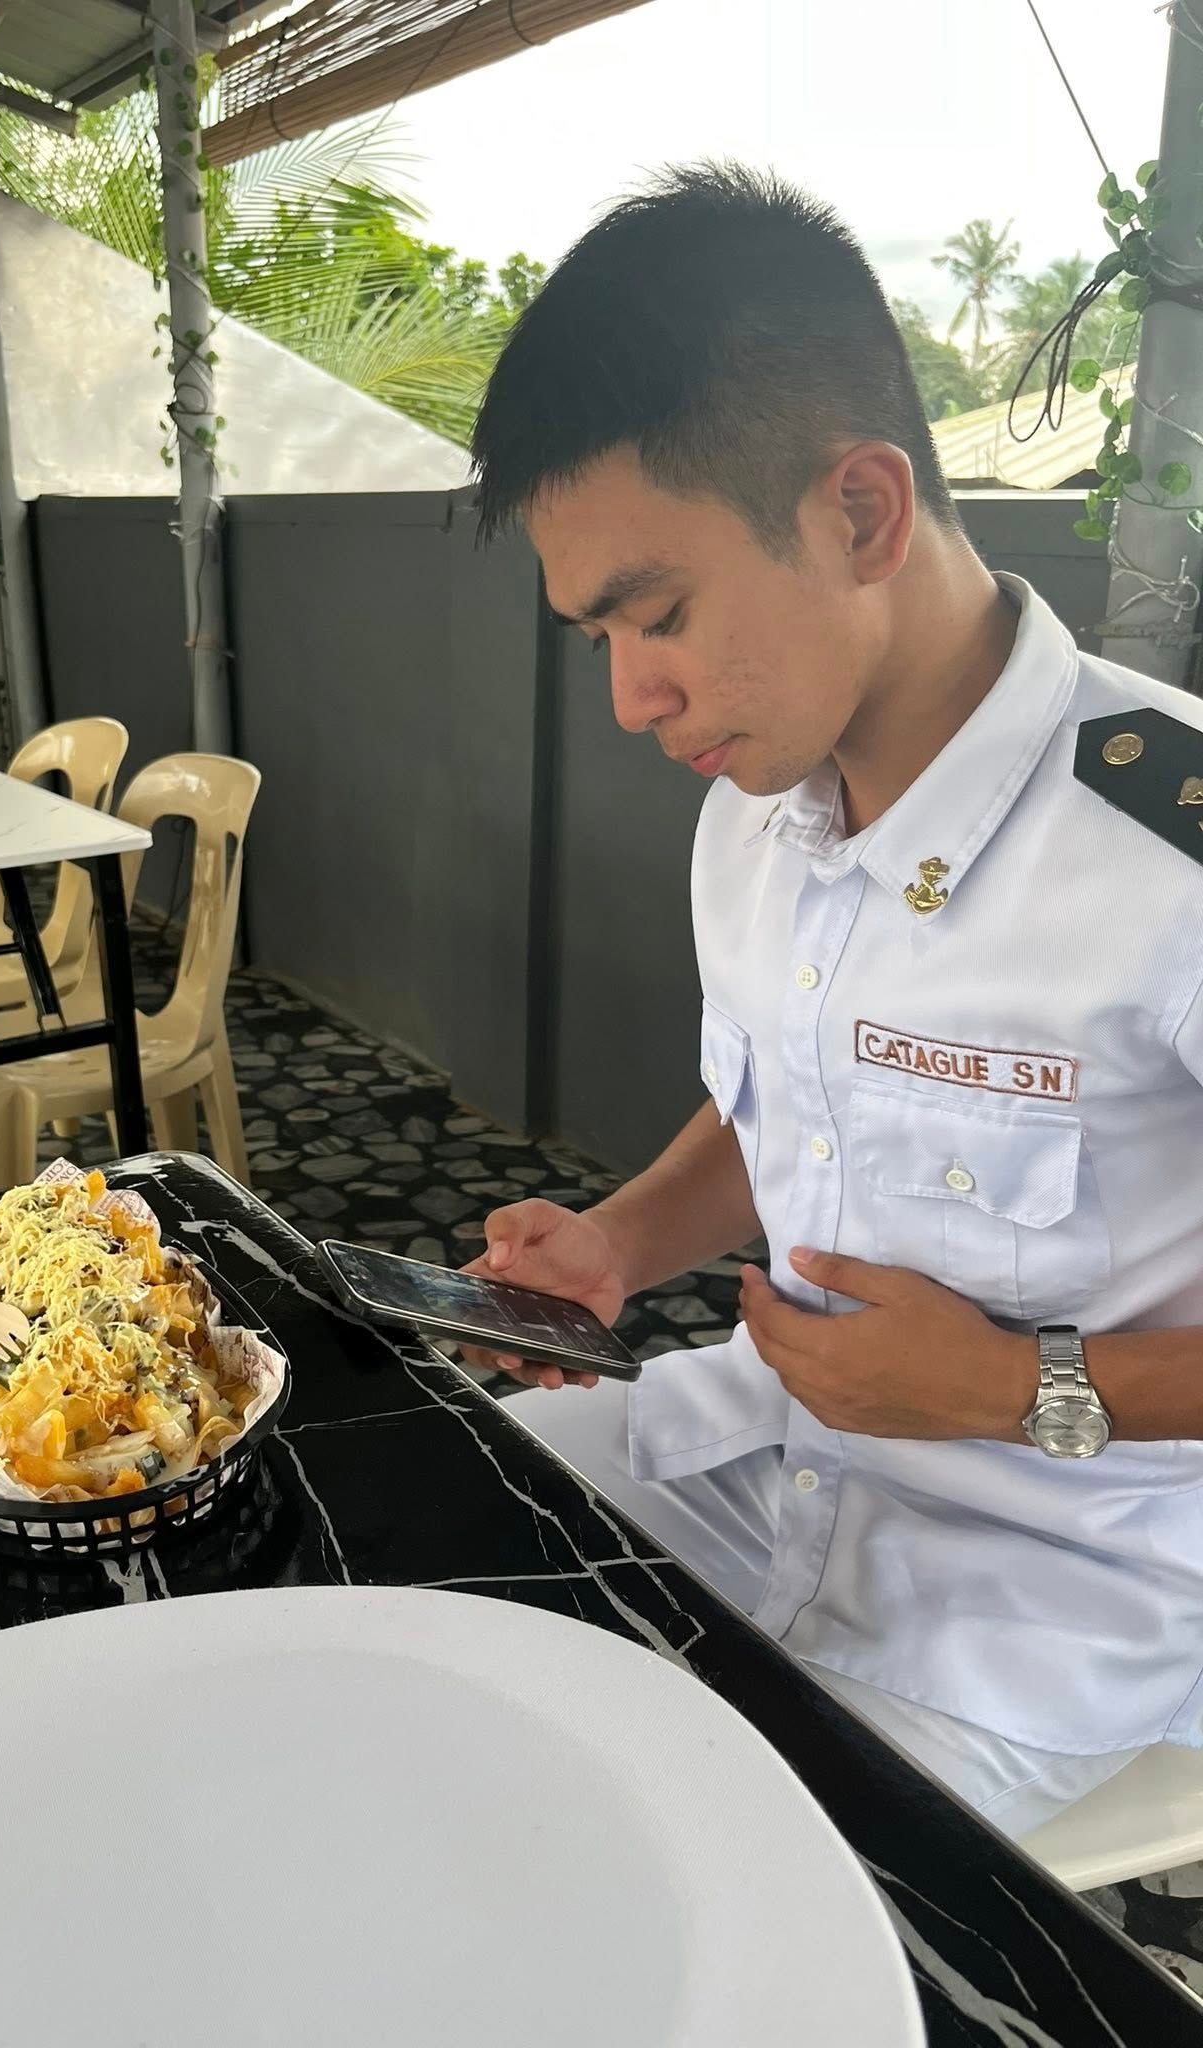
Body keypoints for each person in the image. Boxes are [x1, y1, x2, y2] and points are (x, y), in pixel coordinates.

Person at [463, 161, 1203, 1840]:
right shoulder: (755, 814)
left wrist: (1024, 1389)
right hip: (754, 1453)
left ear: (862, 513)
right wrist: (623, 1243)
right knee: (385, 1565)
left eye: (659, 616)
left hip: (1044, 1593)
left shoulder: (1164, 854)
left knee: (687, 1894)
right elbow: (789, 1098)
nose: (633, 697)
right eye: (598, 638)